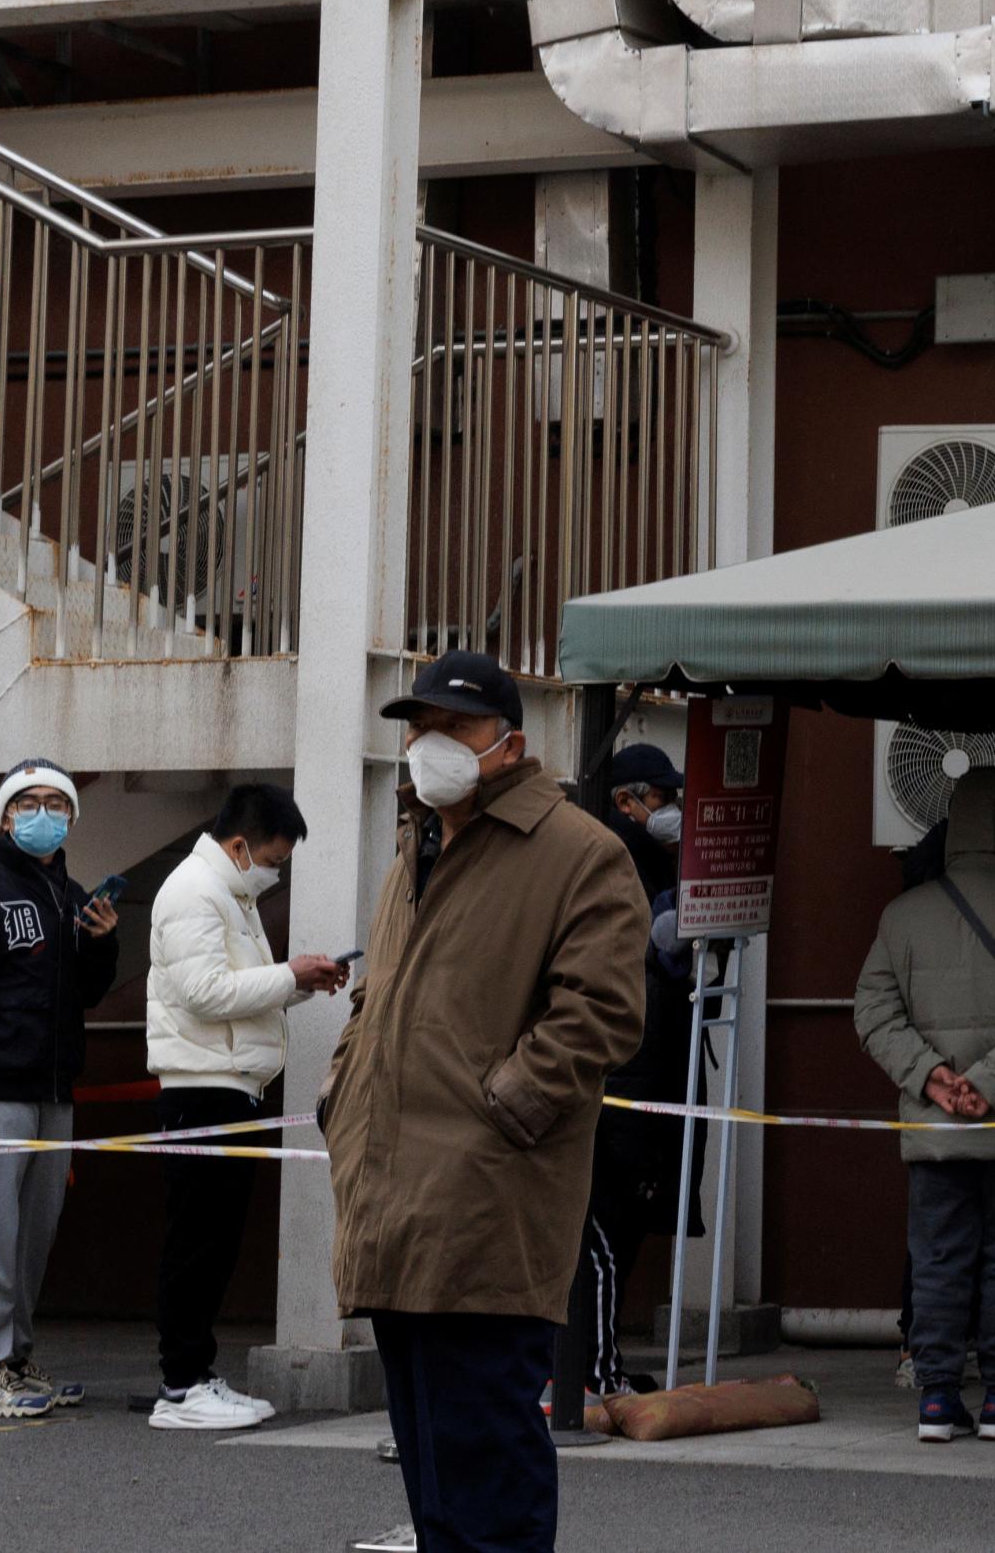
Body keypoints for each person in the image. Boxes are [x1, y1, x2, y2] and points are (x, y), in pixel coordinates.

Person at [323, 650, 646, 1551]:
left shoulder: (580, 853)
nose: (429, 746)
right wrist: (341, 1089)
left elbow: (603, 1014)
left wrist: (503, 1111)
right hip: (393, 1202)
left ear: (510, 743)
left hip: (489, 1203)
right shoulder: (414, 849)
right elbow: (373, 999)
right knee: (433, 1476)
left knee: (487, 1472)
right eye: (418, 728)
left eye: (452, 728)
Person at [854, 766, 995, 1443]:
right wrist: (993, 1085)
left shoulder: (903, 914)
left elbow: (872, 1011)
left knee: (940, 1259)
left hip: (936, 1130)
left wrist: (934, 1080)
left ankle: (938, 1401)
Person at [0, 758, 122, 1419]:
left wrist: (100, 945)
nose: (44, 814)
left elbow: (85, 993)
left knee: (32, 1233)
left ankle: (14, 1357)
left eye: (57, 803)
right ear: (6, 816)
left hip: (53, 1088)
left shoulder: (69, 895)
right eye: (30, 802)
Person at [144, 783, 343, 1430]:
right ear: (239, 846)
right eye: (274, 859)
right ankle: (180, 1385)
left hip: (228, 1083)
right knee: (195, 1241)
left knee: (214, 1240)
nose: (275, 871)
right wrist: (290, 976)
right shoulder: (193, 892)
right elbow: (204, 992)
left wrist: (297, 981)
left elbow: (233, 990)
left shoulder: (228, 891)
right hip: (201, 1085)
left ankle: (196, 1374)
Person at [577, 743, 703, 1399]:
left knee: (616, 1233)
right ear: (626, 800)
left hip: (639, 1070)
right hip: (627, 1076)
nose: (672, 808)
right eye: (661, 796)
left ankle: (600, 1365)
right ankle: (592, 1374)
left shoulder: (642, 851)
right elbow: (647, 946)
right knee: (605, 1232)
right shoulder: (614, 854)